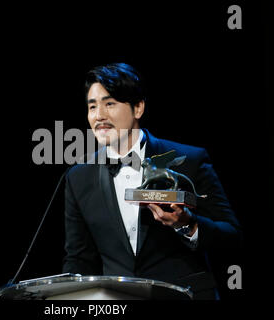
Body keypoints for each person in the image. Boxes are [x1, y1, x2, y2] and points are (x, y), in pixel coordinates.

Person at [62, 63, 242, 299]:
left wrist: (187, 225)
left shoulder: (189, 160)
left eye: (110, 104)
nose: (99, 116)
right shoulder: (78, 177)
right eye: (92, 106)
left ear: (138, 108)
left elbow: (232, 236)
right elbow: (78, 259)